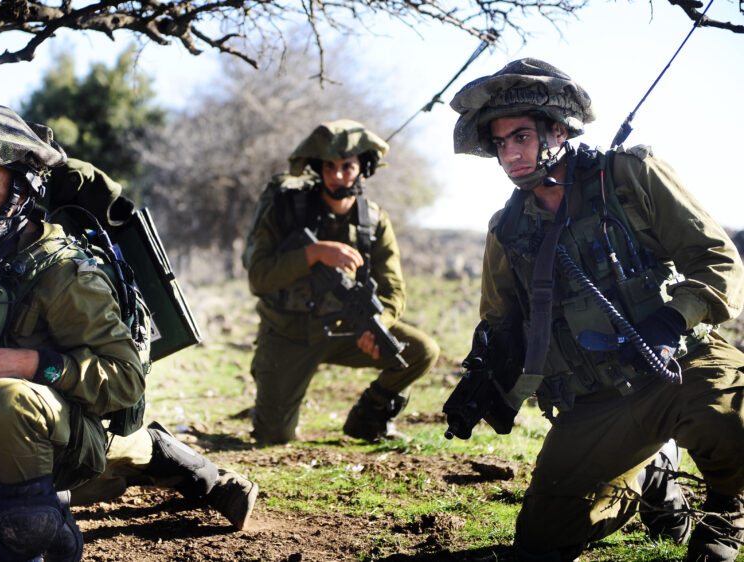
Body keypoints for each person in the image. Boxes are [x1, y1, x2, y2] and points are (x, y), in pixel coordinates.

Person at [0, 113, 255, 562]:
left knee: (11, 407)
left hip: (64, 434)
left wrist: (37, 365)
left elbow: (124, 382)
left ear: (19, 189)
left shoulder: (63, 271)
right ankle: (36, 525)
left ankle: (51, 517)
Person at [449, 58, 744, 561]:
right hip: (598, 401)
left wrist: (672, 320)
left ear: (556, 131)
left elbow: (718, 261)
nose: (510, 155)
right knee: (543, 541)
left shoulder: (630, 177)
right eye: (500, 144)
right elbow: (500, 319)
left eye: (520, 137)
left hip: (683, 365)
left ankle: (725, 511)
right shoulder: (508, 227)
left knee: (732, 423)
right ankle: (648, 472)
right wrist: (484, 378)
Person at [243, 119, 440, 444]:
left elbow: (393, 291)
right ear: (318, 169)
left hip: (346, 330)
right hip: (288, 333)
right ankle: (271, 378)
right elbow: (258, 278)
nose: (337, 176)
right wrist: (313, 253)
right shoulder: (285, 209)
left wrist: (375, 326)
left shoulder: (374, 221)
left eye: (347, 167)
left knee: (420, 352)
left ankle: (370, 415)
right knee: (274, 437)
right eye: (329, 167)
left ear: (363, 169)